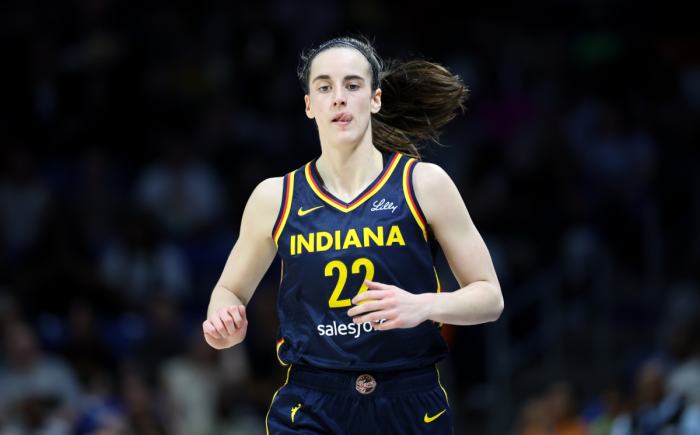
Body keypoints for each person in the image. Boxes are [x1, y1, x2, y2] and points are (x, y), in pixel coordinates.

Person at [202, 36, 504, 434]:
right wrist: (222, 322)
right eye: (324, 87)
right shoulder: (275, 196)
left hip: (409, 398)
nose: (339, 98)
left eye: (353, 85)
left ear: (375, 99)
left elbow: (490, 296)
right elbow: (228, 292)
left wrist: (424, 305)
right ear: (309, 105)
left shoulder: (424, 184)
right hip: (312, 404)